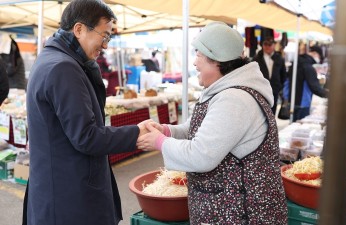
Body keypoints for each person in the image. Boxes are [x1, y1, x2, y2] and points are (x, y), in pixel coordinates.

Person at [137, 22, 288, 224]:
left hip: (242, 214)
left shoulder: (235, 99)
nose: (194, 63)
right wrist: (166, 130)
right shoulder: (227, 90)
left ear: (217, 60)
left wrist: (160, 142)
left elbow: (201, 155)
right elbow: (198, 128)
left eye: (198, 55)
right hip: (227, 209)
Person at [23, 1, 146, 225]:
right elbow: (86, 136)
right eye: (105, 36)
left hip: (57, 188)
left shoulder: (51, 59)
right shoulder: (63, 68)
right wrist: (137, 133)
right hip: (69, 195)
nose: (106, 45)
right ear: (79, 29)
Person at [284, 45, 328, 121]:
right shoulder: (308, 67)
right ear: (315, 54)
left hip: (292, 101)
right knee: (299, 126)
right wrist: (328, 94)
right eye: (319, 56)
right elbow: (314, 87)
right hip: (303, 103)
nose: (319, 59)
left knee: (293, 125)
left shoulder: (295, 63)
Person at [252, 36, 287, 114]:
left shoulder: (279, 58)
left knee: (272, 112)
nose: (267, 46)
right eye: (265, 44)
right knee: (261, 112)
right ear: (262, 45)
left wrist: (279, 86)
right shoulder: (257, 58)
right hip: (260, 89)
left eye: (269, 45)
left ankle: (271, 126)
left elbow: (283, 74)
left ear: (274, 45)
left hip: (274, 89)